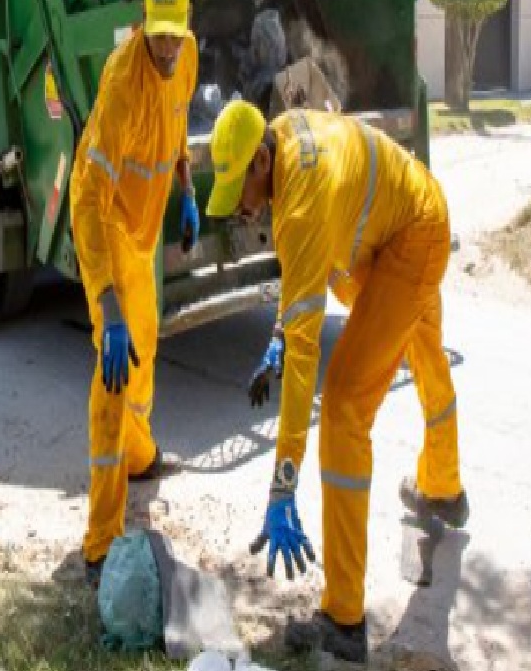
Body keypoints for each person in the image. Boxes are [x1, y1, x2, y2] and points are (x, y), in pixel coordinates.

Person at [206, 102, 468, 665]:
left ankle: (344, 619)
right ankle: (444, 490)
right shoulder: (278, 136)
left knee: (345, 407)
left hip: (410, 238)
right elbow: (301, 294)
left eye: (240, 193)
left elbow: (306, 363)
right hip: (412, 211)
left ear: (258, 160)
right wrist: (281, 331)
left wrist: (282, 484)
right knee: (423, 350)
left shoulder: (296, 203)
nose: (242, 211)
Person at [69, 0, 200, 586]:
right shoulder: (121, 86)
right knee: (115, 370)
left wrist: (189, 190)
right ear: (144, 23)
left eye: (177, 31)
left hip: (145, 231)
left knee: (148, 344)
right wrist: (106, 301)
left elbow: (176, 129)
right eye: (160, 34)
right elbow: (89, 200)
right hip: (108, 224)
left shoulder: (189, 56)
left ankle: (140, 455)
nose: (170, 46)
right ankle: (99, 539)